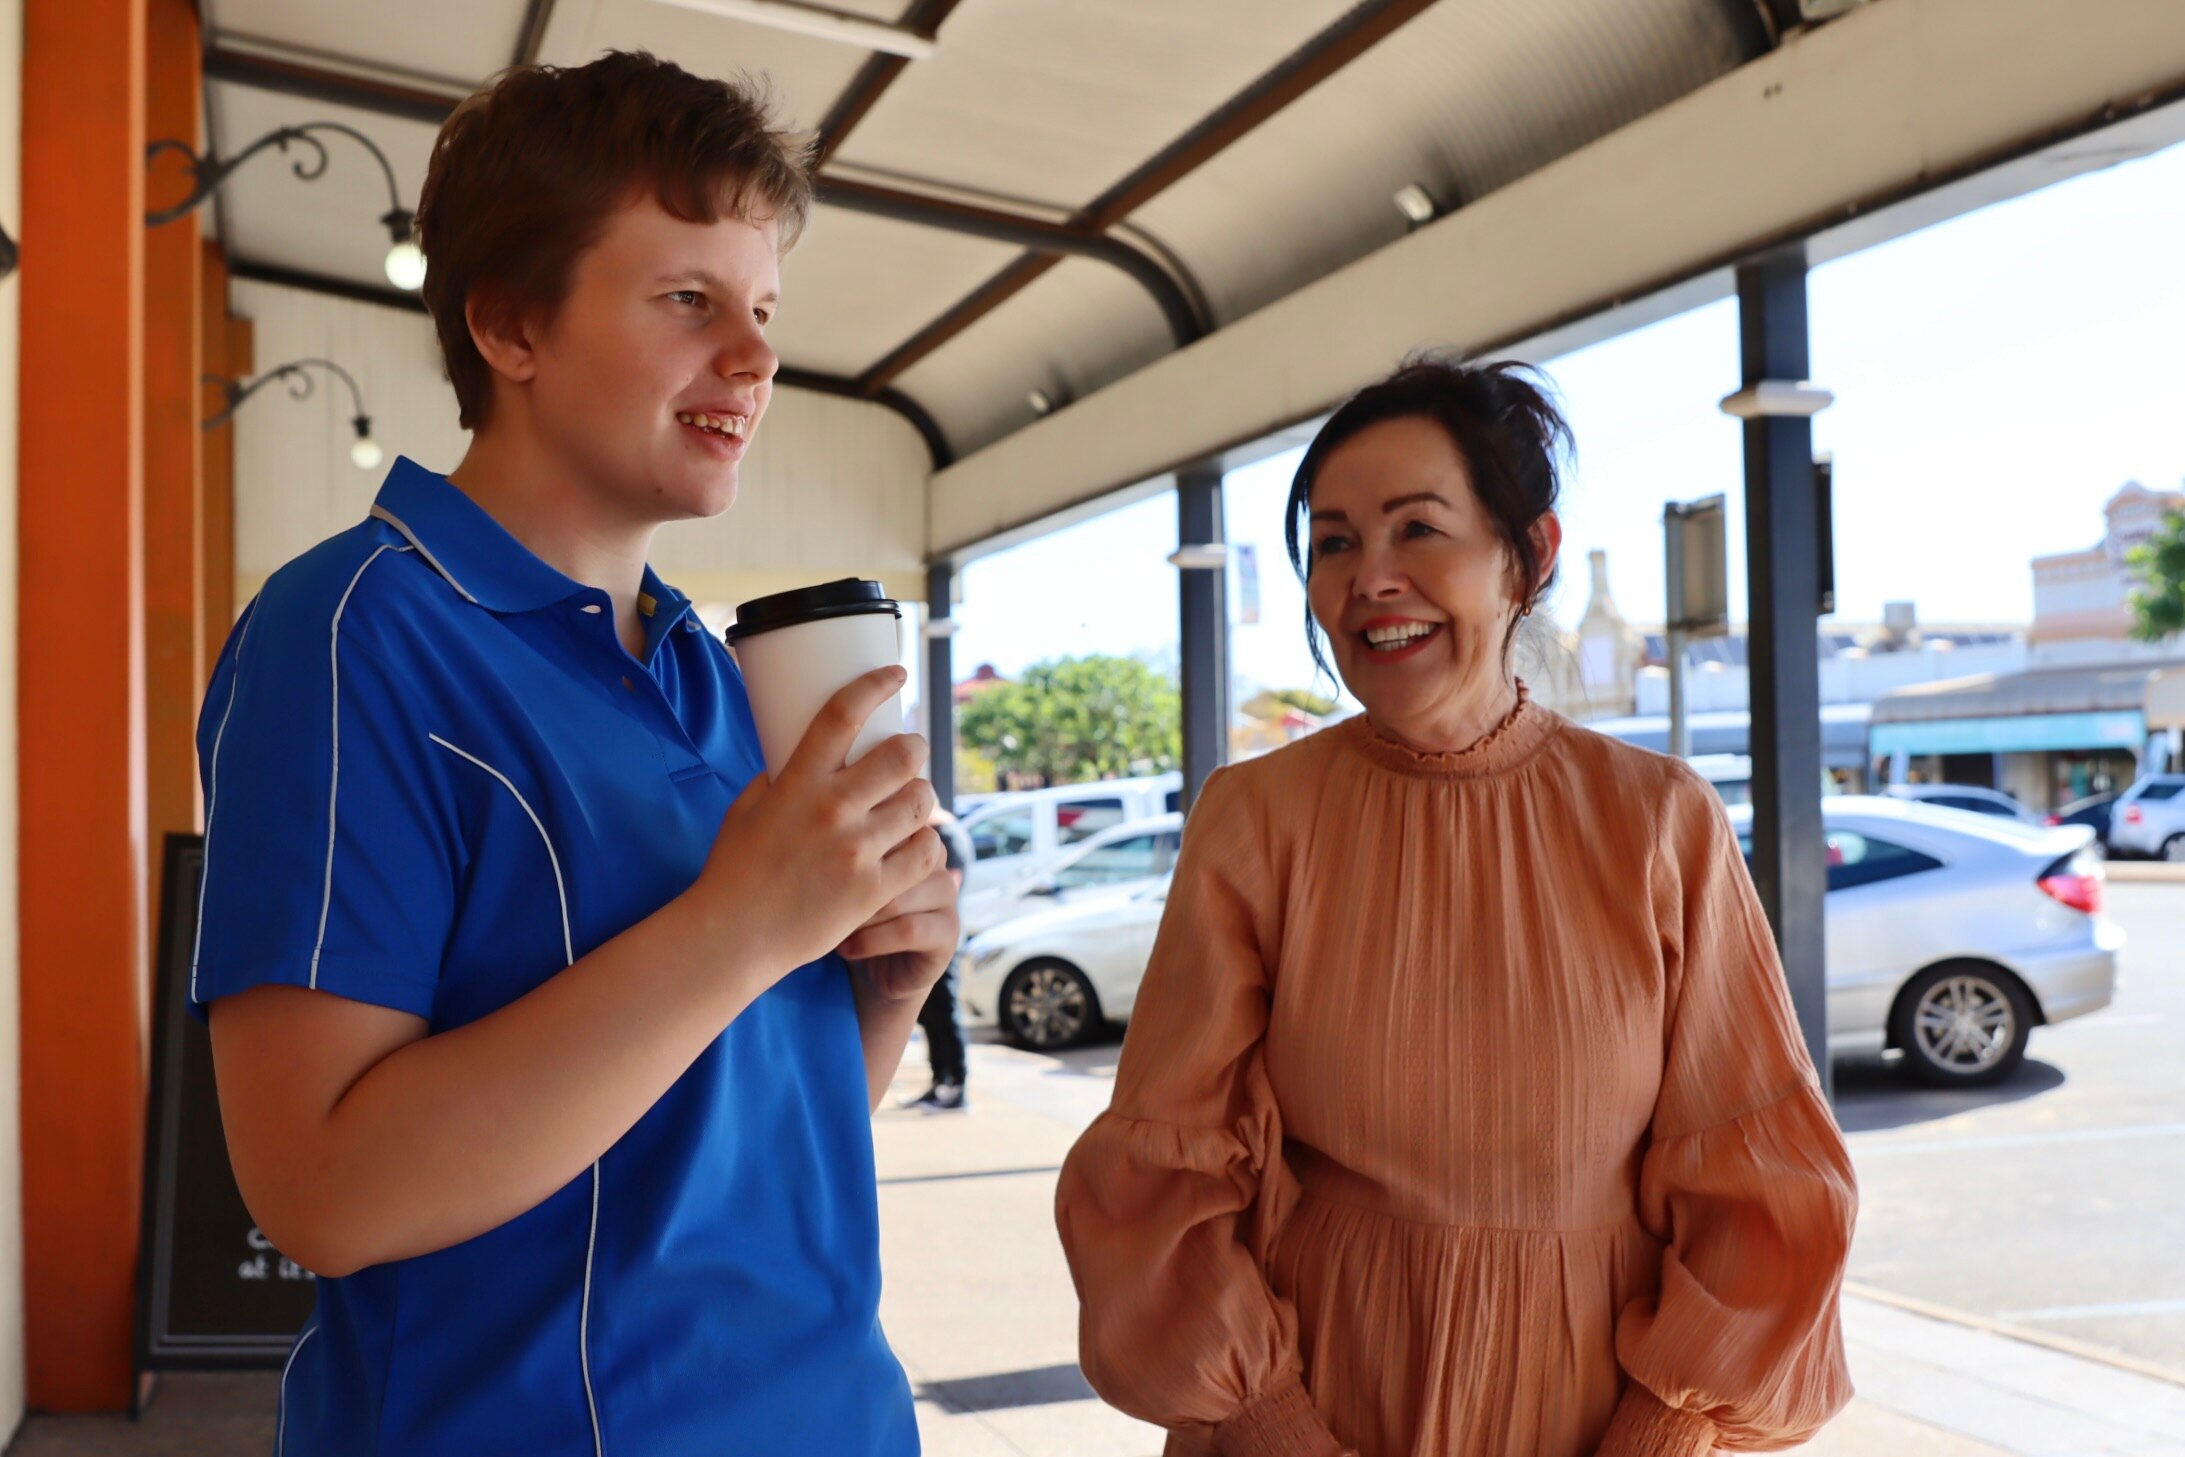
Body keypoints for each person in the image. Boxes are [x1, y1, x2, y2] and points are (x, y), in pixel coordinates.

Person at [190, 53, 954, 1455]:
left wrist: (880, 987)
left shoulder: (713, 674)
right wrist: (743, 925)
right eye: (688, 300)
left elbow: (727, 1143)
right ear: (510, 327)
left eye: (765, 309)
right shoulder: (353, 637)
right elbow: (319, 1190)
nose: (757, 356)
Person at [1055, 356, 1856, 1457]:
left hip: (1595, 1417)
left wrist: (1657, 1433)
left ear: (1528, 555)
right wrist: (1275, 1425)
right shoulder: (1254, 818)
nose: (1369, 577)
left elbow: (1756, 1180)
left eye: (1417, 529)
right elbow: (1162, 1172)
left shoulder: (1660, 821)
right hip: (1304, 1409)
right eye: (1333, 542)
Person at [903, 807, 973, 1111]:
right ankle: (940, 1083)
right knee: (932, 1015)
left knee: (944, 1012)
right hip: (933, 935)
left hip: (942, 938)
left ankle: (955, 1086)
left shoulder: (946, 835)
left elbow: (949, 886)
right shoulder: (943, 833)